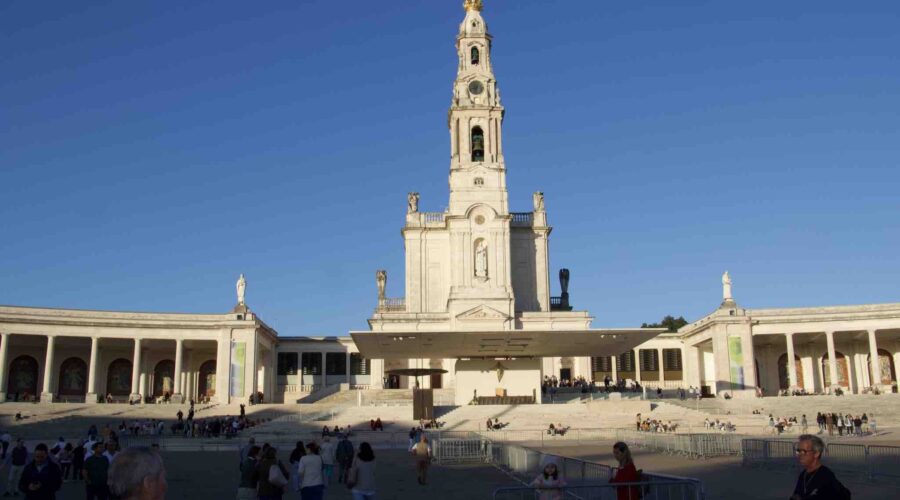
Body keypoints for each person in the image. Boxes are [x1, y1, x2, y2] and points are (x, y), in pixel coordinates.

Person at [791, 435, 851, 500]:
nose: (800, 455)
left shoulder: (826, 477)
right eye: (798, 451)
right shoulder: (804, 475)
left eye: (804, 451)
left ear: (816, 453)